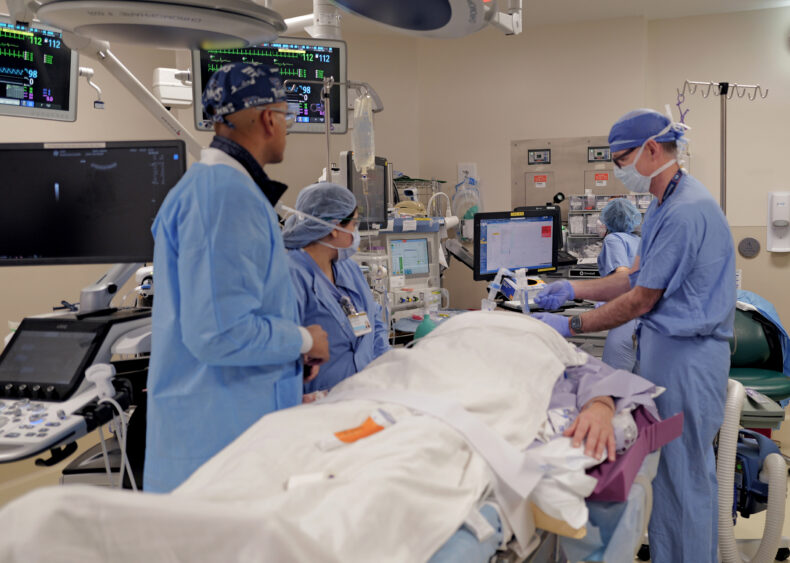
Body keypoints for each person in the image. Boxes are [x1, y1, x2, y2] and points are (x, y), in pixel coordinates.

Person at [532, 109, 735, 563]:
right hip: (667, 352)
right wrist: (572, 290)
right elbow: (632, 277)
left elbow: (642, 299)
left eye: (622, 160)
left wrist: (573, 324)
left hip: (689, 357)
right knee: (669, 475)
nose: (619, 171)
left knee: (686, 477)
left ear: (651, 150)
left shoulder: (687, 210)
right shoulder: (665, 203)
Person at [144, 63, 330, 493]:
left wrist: (286, 364)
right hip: (216, 454)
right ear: (269, 119)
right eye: (286, 117)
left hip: (231, 433)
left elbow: (233, 313)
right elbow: (220, 333)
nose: (286, 128)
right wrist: (304, 340)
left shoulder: (221, 190)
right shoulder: (223, 196)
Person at [282, 182, 390, 396]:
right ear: (334, 228)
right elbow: (282, 344)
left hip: (365, 393)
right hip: (317, 403)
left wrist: (386, 371)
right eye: (354, 225)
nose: (355, 234)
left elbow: (374, 321)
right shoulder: (292, 275)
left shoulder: (347, 267)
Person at [596, 197, 641, 371]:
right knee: (640, 388)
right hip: (646, 322)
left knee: (611, 386)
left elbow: (622, 276)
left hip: (627, 320)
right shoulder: (638, 240)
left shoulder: (613, 239)